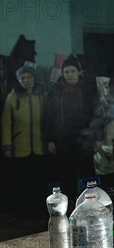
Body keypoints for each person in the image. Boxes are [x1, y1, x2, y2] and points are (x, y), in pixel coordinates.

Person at [42, 54, 99, 200]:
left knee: (88, 172)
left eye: (73, 71)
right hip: (62, 139)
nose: (70, 75)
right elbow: (48, 115)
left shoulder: (88, 88)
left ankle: (92, 203)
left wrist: (98, 137)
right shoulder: (56, 90)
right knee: (66, 174)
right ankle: (71, 205)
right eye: (66, 72)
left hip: (85, 138)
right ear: (63, 73)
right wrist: (49, 139)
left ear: (79, 72)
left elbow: (96, 113)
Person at [1, 65, 47, 214]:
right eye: (22, 78)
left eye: (29, 77)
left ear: (34, 78)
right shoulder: (12, 97)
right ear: (18, 80)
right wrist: (7, 145)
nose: (26, 81)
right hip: (20, 145)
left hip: (40, 145)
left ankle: (39, 210)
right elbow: (6, 122)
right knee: (23, 180)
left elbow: (49, 119)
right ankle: (24, 211)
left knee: (40, 179)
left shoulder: (42, 95)